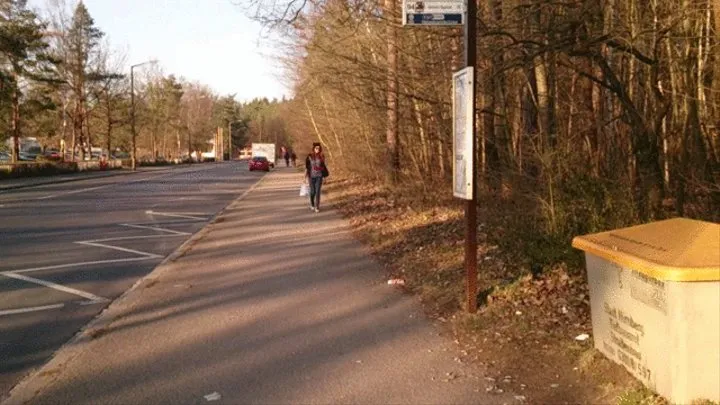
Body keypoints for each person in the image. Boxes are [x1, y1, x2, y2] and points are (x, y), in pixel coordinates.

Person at [305, 143, 327, 213]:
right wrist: (304, 177)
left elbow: (323, 167)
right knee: (313, 192)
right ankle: (312, 203)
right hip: (311, 177)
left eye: (319, 148)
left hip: (319, 176)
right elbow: (307, 167)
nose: (318, 149)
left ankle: (317, 206)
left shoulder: (322, 156)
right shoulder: (309, 156)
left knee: (318, 192)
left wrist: (324, 177)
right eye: (316, 148)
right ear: (313, 149)